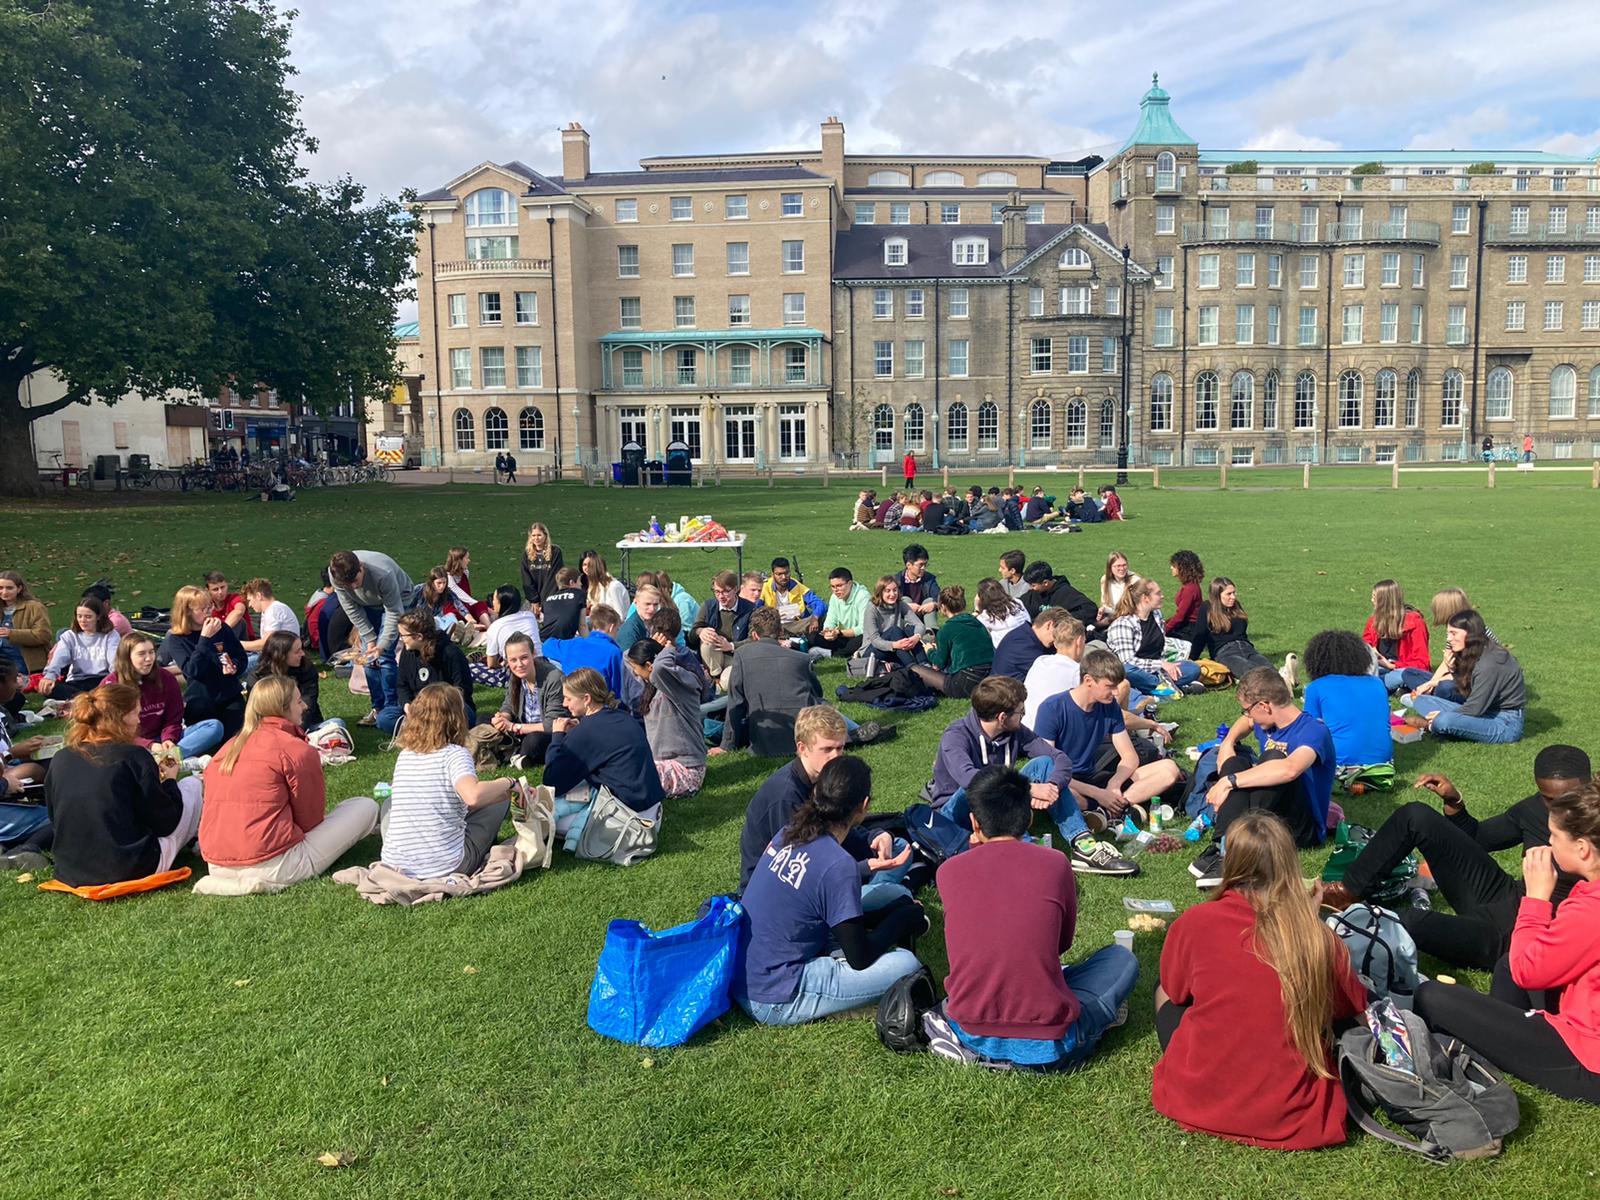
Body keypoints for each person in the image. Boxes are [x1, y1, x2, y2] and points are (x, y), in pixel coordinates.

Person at [1153, 810, 1368, 1149]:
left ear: (1229, 862)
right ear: (1290, 866)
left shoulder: (1194, 922)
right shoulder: (1317, 938)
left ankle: (1205, 1067)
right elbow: (1352, 1009)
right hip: (1293, 1115)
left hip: (1196, 1101)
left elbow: (1176, 992)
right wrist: (1309, 920)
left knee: (1164, 990)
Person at [933, 763, 1140, 1070]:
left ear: (974, 822)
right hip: (1052, 1044)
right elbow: (1062, 943)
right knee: (1122, 960)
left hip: (969, 1031)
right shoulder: (1055, 863)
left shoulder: (948, 872)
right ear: (1029, 817)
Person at [1321, 746, 1591, 971]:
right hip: (1506, 895)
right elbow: (1479, 838)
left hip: (1520, 932)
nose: (1560, 808)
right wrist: (1454, 801)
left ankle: (1333, 938)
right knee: (1416, 816)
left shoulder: (1594, 828)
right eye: (1549, 799)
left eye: (1570, 797)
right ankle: (1348, 891)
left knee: (1410, 920)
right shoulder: (1534, 809)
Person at [1415, 778, 1600, 1105]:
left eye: (1554, 836)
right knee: (1506, 965)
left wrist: (1536, 898)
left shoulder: (1590, 910)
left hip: (1588, 1060)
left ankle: (1495, 1043)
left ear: (1582, 848)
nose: (1548, 843)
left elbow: (1528, 971)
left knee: (1431, 996)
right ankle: (1501, 1036)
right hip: (1585, 1015)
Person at [736, 755, 926, 1026]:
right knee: (906, 963)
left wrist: (892, 910)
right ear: (863, 806)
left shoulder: (789, 831)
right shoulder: (838, 864)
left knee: (893, 896)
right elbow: (860, 957)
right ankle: (838, 1005)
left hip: (744, 975)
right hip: (773, 996)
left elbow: (818, 903)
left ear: (816, 792)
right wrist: (902, 920)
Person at [931, 675, 1134, 876]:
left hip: (999, 804)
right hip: (955, 814)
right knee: (974, 788)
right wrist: (1027, 789)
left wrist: (1052, 787)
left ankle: (1083, 844)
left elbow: (1060, 759)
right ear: (1002, 717)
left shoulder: (1015, 731)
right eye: (1021, 712)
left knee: (1044, 764)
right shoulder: (956, 736)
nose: (1024, 716)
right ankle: (1026, 850)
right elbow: (970, 780)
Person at [194, 676, 378, 895]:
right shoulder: (295, 750)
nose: (305, 706)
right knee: (365, 806)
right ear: (282, 708)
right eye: (298, 701)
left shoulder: (227, 749)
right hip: (275, 864)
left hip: (217, 865)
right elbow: (310, 821)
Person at [45, 684, 204, 886]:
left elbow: (54, 816)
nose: (139, 720)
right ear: (120, 718)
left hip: (70, 870)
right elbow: (166, 823)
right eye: (135, 714)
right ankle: (201, 839)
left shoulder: (61, 757)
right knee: (193, 784)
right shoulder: (134, 756)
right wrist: (170, 780)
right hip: (130, 867)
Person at [1190, 668, 1336, 887]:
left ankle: (1233, 852)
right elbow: (1245, 723)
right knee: (1236, 762)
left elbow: (1290, 769)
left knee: (1273, 759)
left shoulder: (1314, 731)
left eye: (1248, 710)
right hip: (1268, 814)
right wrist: (1228, 743)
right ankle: (1223, 847)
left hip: (1301, 828)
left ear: (1264, 706)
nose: (1248, 716)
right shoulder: (1266, 722)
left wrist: (1229, 781)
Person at [1035, 647, 1183, 829]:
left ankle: (1107, 810)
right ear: (1088, 680)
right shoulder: (1052, 709)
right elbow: (1047, 769)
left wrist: (1114, 784)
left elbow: (1129, 756)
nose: (1116, 693)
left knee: (1169, 768)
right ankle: (1110, 807)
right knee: (1062, 793)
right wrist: (1098, 793)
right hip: (1065, 780)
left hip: (1094, 776)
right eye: (1110, 686)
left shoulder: (1109, 706)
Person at [379, 683, 517, 881]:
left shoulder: (406, 754)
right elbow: (473, 796)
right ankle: (481, 847)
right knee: (501, 799)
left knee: (390, 804)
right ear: (457, 717)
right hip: (446, 866)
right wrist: (508, 783)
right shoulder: (455, 754)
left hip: (394, 864)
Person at [542, 667, 666, 846]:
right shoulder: (624, 717)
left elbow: (552, 782)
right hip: (653, 810)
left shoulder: (585, 733)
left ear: (586, 698)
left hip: (630, 822)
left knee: (547, 816)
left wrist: (557, 736)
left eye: (568, 698)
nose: (564, 704)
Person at [1402, 610, 1523, 744]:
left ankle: (1433, 726)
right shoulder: (1473, 651)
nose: (1449, 639)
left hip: (1504, 721)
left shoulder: (1490, 664)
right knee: (1421, 700)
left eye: (1454, 633)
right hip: (1481, 710)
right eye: (1448, 633)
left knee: (1443, 720)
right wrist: (1451, 669)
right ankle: (1450, 727)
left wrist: (1445, 715)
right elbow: (1465, 689)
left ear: (1470, 634)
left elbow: (1474, 708)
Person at [329, 549, 415, 728]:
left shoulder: (383, 574)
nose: (353, 587)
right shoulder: (336, 576)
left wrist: (382, 645)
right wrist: (370, 639)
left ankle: (391, 708)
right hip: (366, 604)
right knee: (367, 657)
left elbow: (394, 612)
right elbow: (351, 608)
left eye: (355, 581)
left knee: (385, 656)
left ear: (361, 568)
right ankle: (377, 708)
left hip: (399, 599)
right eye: (347, 585)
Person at [719, 608, 824, 755]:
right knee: (824, 705)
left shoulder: (742, 655)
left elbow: (736, 703)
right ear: (780, 631)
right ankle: (852, 731)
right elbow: (818, 694)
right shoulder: (801, 659)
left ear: (754, 635)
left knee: (712, 724)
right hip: (803, 735)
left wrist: (726, 745)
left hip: (762, 736)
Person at [104, 632, 224, 759]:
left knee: (214, 727)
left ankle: (165, 759)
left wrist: (169, 738)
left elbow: (174, 717)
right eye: (141, 654)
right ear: (127, 657)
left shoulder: (166, 678)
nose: (149, 658)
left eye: (151, 652)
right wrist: (149, 744)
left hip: (162, 738)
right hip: (130, 742)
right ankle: (169, 759)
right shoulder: (111, 685)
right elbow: (112, 728)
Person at [624, 638, 707, 798]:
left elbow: (660, 668)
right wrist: (651, 644)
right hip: (661, 765)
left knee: (632, 777)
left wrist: (667, 650)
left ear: (649, 665)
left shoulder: (678, 686)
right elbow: (626, 657)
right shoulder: (652, 689)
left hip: (686, 768)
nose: (634, 673)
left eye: (635, 668)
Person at [161, 585, 248, 737]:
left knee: (236, 737)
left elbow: (240, 656)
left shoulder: (222, 628)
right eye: (203, 609)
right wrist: (204, 639)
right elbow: (192, 670)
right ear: (188, 611)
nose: (209, 612)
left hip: (229, 694)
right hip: (201, 700)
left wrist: (235, 666)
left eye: (210, 607)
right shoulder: (176, 638)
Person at [1300, 630, 1390, 773]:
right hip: (1383, 767)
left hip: (1338, 766)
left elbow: (1309, 732)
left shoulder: (1316, 687)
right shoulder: (1377, 683)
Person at [480, 632, 568, 768]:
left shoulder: (553, 678)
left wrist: (514, 727)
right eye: (513, 660)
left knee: (533, 741)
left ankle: (510, 752)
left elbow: (552, 724)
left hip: (545, 733)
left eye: (524, 658)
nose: (519, 664)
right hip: (520, 728)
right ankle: (516, 754)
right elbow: (508, 705)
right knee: (483, 719)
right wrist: (502, 718)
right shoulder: (515, 675)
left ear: (534, 654)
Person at [384, 610, 476, 736]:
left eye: (403, 635)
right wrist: (406, 704)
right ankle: (430, 730)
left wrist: (436, 707)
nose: (401, 639)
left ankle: (420, 731)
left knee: (467, 715)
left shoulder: (451, 653)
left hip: (448, 708)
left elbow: (462, 689)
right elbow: (402, 685)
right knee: (384, 717)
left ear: (419, 637)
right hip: (418, 708)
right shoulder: (407, 652)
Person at [1106, 579, 1203, 695]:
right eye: (1158, 593)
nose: (1162, 596)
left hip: (1156, 670)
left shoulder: (1156, 615)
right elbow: (1127, 661)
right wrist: (1161, 664)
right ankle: (1167, 688)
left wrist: (1166, 665)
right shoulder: (1124, 624)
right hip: (1135, 671)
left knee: (1193, 668)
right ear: (1145, 598)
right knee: (1128, 671)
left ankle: (1159, 688)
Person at [910, 586, 992, 698]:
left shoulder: (946, 630)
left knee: (915, 670)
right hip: (989, 676)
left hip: (967, 680)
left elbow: (939, 663)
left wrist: (930, 651)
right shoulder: (977, 622)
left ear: (943, 607)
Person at [37, 594, 122, 701]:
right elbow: (59, 657)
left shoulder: (110, 635)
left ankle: (82, 700)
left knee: (111, 690)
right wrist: (50, 676)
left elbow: (114, 662)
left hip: (101, 680)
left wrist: (114, 678)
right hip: (76, 682)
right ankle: (89, 699)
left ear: (98, 617)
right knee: (51, 688)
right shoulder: (69, 636)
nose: (82, 620)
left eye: (88, 617)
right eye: (79, 616)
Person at [1189, 577, 1274, 676]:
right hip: (1225, 651)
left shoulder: (1236, 606)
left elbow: (1242, 633)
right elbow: (1200, 636)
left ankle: (1280, 678)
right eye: (1229, 594)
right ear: (1217, 595)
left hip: (1246, 647)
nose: (1233, 597)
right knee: (1249, 670)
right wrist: (1192, 658)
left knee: (1268, 668)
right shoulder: (1207, 608)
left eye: (1234, 593)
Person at [541, 605, 627, 701]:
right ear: (611, 627)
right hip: (598, 702)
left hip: (571, 698)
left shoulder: (572, 644)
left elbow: (547, 645)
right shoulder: (614, 652)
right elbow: (618, 689)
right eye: (617, 629)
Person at [1361, 579, 1430, 692]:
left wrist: (1390, 665)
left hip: (1400, 670)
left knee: (1403, 675)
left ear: (1384, 601)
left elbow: (1422, 664)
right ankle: (1383, 685)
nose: (1371, 600)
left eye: (1374, 597)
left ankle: (1376, 685)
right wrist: (1371, 651)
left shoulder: (1416, 624)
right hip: (1378, 667)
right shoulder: (1374, 621)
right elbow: (1365, 643)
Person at [245, 631, 324, 728]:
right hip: (269, 729)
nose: (302, 653)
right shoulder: (258, 677)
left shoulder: (306, 668)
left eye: (301, 649)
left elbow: (308, 704)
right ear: (281, 655)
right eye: (297, 651)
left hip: (305, 724)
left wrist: (296, 731)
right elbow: (255, 712)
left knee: (336, 723)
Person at [1021, 615, 1086, 730]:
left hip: (1025, 729)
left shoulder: (1040, 661)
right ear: (1079, 641)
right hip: (1050, 734)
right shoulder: (1077, 672)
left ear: (1055, 643)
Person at [691, 570, 755, 684]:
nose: (720, 596)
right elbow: (691, 636)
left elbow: (754, 639)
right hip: (713, 658)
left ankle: (720, 684)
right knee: (707, 640)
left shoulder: (750, 609)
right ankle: (714, 677)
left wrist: (731, 646)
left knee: (728, 681)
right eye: (717, 591)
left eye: (725, 592)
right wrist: (700, 631)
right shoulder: (708, 606)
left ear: (736, 589)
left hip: (736, 658)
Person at [861, 574, 928, 672]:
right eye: (888, 591)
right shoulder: (872, 608)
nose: (892, 594)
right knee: (894, 630)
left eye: (895, 590)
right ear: (880, 592)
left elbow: (920, 625)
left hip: (896, 648)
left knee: (911, 630)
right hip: (872, 651)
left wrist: (915, 638)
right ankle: (912, 667)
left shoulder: (900, 604)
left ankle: (924, 663)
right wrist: (895, 645)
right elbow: (875, 640)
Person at [0, 570, 53, 684]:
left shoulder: (34, 607)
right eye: (1, 588)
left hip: (26, 661)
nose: (4, 592)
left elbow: (44, 635)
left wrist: (12, 634)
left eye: (9, 588)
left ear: (19, 589)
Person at [992, 607, 1067, 682]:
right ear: (1049, 625)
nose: (1057, 641)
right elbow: (1054, 675)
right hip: (1005, 688)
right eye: (1058, 635)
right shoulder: (1022, 645)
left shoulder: (1027, 636)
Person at [758, 557, 825, 640]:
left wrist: (815, 618)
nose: (783, 577)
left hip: (795, 624)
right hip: (773, 626)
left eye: (786, 573)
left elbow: (819, 603)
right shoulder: (765, 587)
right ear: (773, 574)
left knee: (821, 617)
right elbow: (756, 609)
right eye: (779, 574)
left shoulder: (796, 586)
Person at [1020, 561, 1098, 630]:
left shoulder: (1066, 592)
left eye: (1033, 585)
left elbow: (1090, 609)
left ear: (1045, 583)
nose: (1031, 588)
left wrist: (1061, 620)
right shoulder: (1033, 594)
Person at [239, 578, 302, 661]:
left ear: (258, 596)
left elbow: (266, 643)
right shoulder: (270, 610)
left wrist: (238, 644)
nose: (249, 605)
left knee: (237, 666)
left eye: (250, 600)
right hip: (274, 655)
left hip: (280, 659)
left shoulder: (274, 610)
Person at [483, 584, 542, 669]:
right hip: (540, 662)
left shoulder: (495, 627)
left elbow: (491, 663)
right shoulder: (530, 616)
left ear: (502, 603)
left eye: (494, 599)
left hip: (517, 669)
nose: (492, 602)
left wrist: (502, 666)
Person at [818, 567, 868, 658]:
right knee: (813, 636)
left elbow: (863, 628)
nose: (835, 590)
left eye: (839, 586)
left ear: (850, 583)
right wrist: (828, 632)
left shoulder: (863, 596)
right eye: (833, 587)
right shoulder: (834, 597)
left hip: (857, 635)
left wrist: (839, 632)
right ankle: (841, 652)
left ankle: (831, 653)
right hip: (841, 634)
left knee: (863, 640)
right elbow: (830, 619)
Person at [519, 523, 565, 609]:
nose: (536, 538)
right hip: (533, 599)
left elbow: (553, 578)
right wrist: (534, 600)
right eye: (533, 535)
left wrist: (545, 602)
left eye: (539, 535)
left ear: (545, 535)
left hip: (551, 597)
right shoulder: (526, 554)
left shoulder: (555, 552)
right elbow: (526, 579)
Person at [974, 576, 1028, 648]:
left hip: (1006, 650)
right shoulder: (1017, 602)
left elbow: (972, 625)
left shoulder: (986, 617)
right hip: (1027, 641)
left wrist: (977, 609)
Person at [1165, 549, 1205, 645]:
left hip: (1189, 629)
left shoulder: (1190, 589)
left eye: (1174, 566)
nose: (1171, 568)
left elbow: (1180, 616)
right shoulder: (1189, 585)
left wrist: (1164, 629)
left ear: (1183, 569)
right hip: (1187, 625)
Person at [443, 547, 491, 624]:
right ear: (459, 560)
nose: (469, 560)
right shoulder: (448, 577)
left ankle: (488, 626)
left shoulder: (465, 572)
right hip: (454, 610)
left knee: (481, 605)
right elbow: (461, 596)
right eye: (467, 558)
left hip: (466, 607)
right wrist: (488, 609)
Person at [615, 583, 667, 653]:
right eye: (647, 604)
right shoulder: (630, 632)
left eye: (655, 605)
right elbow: (631, 658)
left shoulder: (653, 622)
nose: (652, 609)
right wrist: (655, 646)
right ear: (636, 602)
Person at [537, 567, 586, 641]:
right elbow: (582, 625)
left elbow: (544, 620)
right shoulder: (579, 594)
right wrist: (588, 643)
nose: (581, 584)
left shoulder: (548, 599)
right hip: (564, 640)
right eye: (579, 581)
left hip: (544, 640)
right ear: (571, 583)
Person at [897, 544, 940, 626]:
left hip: (923, 615)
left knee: (930, 601)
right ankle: (909, 629)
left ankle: (931, 631)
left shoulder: (929, 579)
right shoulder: (897, 580)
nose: (923, 568)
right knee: (905, 600)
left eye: (925, 564)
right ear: (909, 565)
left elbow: (940, 597)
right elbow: (887, 603)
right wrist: (905, 606)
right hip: (903, 619)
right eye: (920, 565)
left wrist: (934, 604)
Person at [203, 571, 254, 641]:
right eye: (215, 589)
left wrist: (222, 631)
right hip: (218, 641)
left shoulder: (235, 598)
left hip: (244, 641)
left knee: (239, 621)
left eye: (222, 587)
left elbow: (239, 611)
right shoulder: (208, 607)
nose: (220, 592)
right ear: (208, 591)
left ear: (226, 585)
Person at [579, 549, 629, 618]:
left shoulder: (613, 586)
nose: (587, 568)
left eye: (590, 565)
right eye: (584, 565)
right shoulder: (588, 584)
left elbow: (620, 616)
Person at [1096, 552, 1140, 627]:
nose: (1122, 569)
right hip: (1111, 617)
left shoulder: (1135, 581)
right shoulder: (1105, 580)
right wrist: (1102, 610)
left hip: (1130, 619)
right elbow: (1105, 603)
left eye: (1124, 565)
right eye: (1118, 566)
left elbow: (1137, 608)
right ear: (1110, 567)